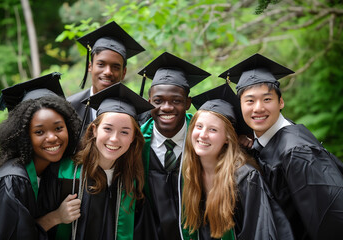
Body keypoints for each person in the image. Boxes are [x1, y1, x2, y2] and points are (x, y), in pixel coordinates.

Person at [219, 53, 343, 240]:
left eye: (267, 99)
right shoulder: (265, 141)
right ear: (241, 106)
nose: (258, 108)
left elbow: (331, 218)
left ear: (281, 102)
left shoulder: (297, 151)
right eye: (250, 101)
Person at [181, 83, 294, 240]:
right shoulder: (189, 172)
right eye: (199, 126)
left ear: (228, 138)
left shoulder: (245, 178)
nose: (203, 135)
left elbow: (260, 232)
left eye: (213, 129)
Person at [0, 73, 82, 239]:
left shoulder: (50, 170)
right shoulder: (12, 181)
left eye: (58, 128)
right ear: (24, 136)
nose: (52, 137)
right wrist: (56, 217)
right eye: (39, 132)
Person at [60, 82, 157, 239]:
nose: (114, 139)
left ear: (133, 137)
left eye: (124, 132)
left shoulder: (131, 180)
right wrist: (56, 217)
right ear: (94, 130)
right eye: (108, 129)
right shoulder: (65, 173)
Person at [138, 52, 211, 239]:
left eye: (176, 101)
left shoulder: (206, 138)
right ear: (149, 103)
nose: (167, 107)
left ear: (188, 103)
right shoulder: (135, 143)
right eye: (158, 101)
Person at [67, 21, 145, 130]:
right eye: (101, 64)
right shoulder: (70, 108)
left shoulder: (139, 112)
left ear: (124, 73)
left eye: (116, 67)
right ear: (90, 66)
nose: (108, 72)